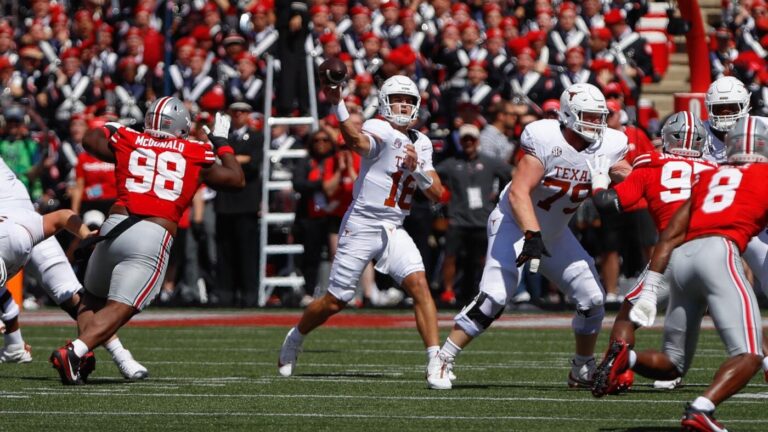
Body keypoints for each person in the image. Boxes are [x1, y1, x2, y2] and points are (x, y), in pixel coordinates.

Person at [428, 83, 631, 390]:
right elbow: (519, 192)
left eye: (599, 116)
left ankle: (581, 367)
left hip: (555, 231)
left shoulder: (610, 144)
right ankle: (442, 358)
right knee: (495, 296)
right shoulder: (545, 139)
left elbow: (626, 172)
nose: (596, 123)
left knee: (592, 298)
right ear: (568, 116)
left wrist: (621, 177)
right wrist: (531, 233)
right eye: (588, 116)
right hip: (514, 222)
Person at [49, 96, 244, 385]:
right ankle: (75, 351)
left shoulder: (129, 138)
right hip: (152, 233)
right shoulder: (195, 150)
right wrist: (222, 142)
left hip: (113, 226)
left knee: (91, 299)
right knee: (120, 307)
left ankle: (80, 357)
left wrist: (135, 128)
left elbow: (91, 139)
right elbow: (236, 178)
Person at [594, 116, 768, 431]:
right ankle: (701, 409)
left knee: (673, 365)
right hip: (719, 252)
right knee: (749, 354)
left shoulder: (710, 178)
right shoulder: (741, 172)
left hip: (682, 260)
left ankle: (627, 359)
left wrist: (651, 287)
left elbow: (670, 236)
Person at [277, 75, 448, 388]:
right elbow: (357, 143)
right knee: (336, 299)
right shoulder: (379, 127)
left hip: (394, 226)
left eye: (409, 100)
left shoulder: (421, 143)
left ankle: (436, 360)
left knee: (420, 285)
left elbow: (438, 193)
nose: (404, 105)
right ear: (385, 101)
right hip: (363, 222)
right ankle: (295, 336)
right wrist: (337, 104)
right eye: (398, 98)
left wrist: (418, 171)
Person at [589, 111, 717, 396]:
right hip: (717, 254)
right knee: (735, 323)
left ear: (666, 138)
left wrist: (599, 180)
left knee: (627, 317)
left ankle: (619, 370)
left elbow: (607, 204)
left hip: (672, 256)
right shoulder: (714, 170)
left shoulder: (650, 164)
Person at [0, 207, 95, 363]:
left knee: (69, 292)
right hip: (18, 231)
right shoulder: (21, 234)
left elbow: (63, 216)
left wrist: (87, 236)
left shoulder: (21, 233)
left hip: (18, 228)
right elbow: (63, 216)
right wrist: (86, 235)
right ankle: (15, 346)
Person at [436, 123, 511, 305]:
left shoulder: (489, 162)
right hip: (458, 218)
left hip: (482, 219)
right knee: (450, 255)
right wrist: (442, 197)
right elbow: (433, 176)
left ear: (477, 141)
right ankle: (448, 291)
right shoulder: (452, 163)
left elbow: (509, 175)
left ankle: (485, 290)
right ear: (461, 142)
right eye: (465, 139)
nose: (468, 142)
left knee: (484, 259)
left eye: (472, 139)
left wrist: (500, 197)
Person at [211, 102, 263, 307]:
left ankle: (249, 295)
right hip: (225, 202)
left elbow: (252, 164)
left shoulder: (256, 137)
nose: (238, 115)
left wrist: (228, 158)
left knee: (247, 252)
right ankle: (226, 293)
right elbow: (217, 161)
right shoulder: (224, 139)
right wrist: (235, 159)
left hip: (246, 202)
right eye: (234, 112)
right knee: (225, 252)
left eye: (242, 112)